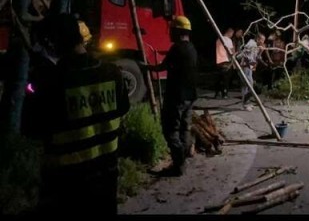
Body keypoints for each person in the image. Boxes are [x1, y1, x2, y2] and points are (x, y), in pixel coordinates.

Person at [23, 13, 130, 215]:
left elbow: (31, 128)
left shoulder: (50, 82)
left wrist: (32, 86)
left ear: (52, 43)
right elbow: (122, 109)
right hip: (108, 174)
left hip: (68, 183)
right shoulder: (112, 72)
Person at [143, 16, 198, 177]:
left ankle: (178, 166)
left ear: (178, 31)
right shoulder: (192, 48)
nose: (170, 33)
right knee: (184, 128)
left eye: (172, 30)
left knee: (171, 129)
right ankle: (184, 159)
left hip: (177, 97)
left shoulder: (177, 48)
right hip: (190, 96)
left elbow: (162, 66)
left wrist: (146, 67)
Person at [237, 33, 265, 110]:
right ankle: (245, 104)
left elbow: (257, 57)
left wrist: (260, 51)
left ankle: (246, 103)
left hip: (249, 67)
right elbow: (246, 54)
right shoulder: (251, 43)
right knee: (248, 84)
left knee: (248, 85)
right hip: (245, 66)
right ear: (258, 39)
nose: (263, 42)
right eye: (262, 40)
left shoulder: (256, 46)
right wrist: (255, 48)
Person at [214, 27, 235, 98]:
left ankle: (217, 93)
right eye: (232, 34)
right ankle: (225, 93)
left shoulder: (218, 39)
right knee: (226, 78)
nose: (232, 35)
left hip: (219, 60)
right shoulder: (228, 40)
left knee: (220, 77)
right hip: (226, 60)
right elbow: (231, 51)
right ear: (230, 32)